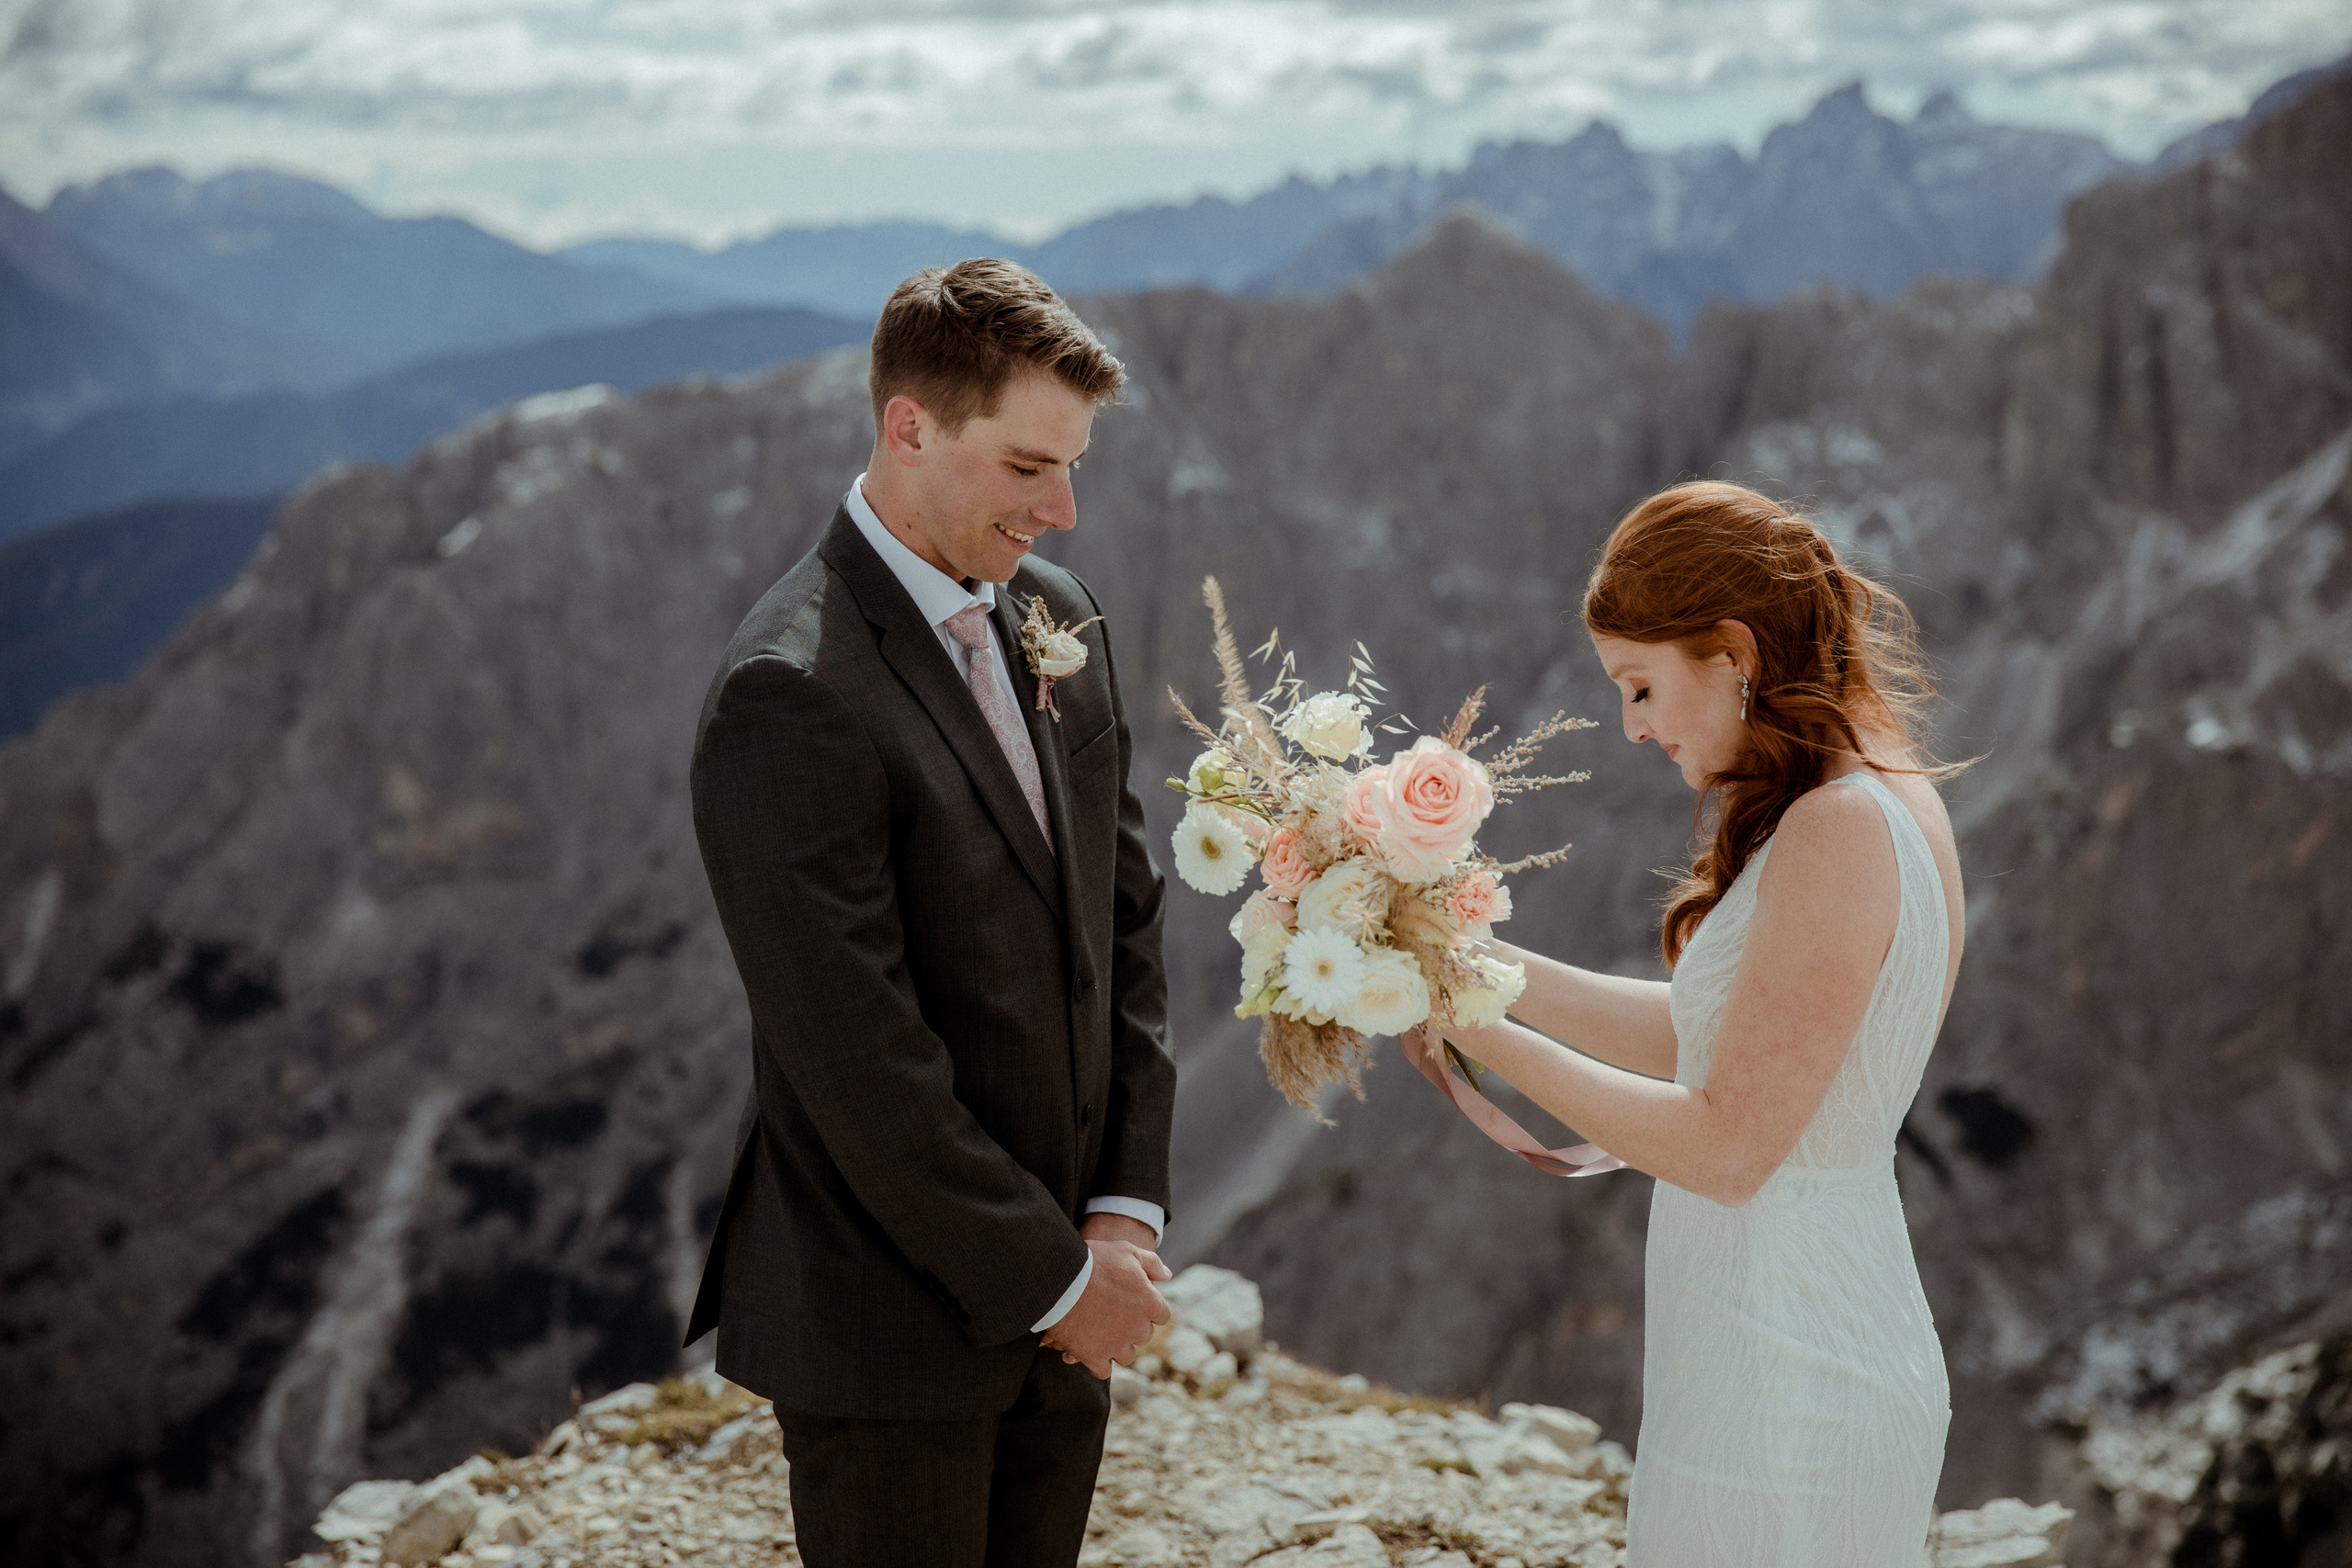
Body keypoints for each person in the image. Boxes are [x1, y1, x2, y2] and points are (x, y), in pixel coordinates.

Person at [684, 258, 1179, 1568]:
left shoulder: (1057, 619)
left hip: (1069, 1288)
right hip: (887, 1336)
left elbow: (1121, 927)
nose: (1062, 511)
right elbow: (857, 1060)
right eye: (1028, 468)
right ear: (909, 428)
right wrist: (1063, 1285)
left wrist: (1121, 1212)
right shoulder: (789, 690)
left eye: (1072, 468)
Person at [1420, 480, 1962, 1563]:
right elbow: (1712, 1040)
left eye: (1639, 686)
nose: (1632, 728)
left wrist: (1476, 1030)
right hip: (1784, 1337)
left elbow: (1727, 1148)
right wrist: (1476, 966)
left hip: (1790, 1373)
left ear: (1731, 648)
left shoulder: (1838, 829)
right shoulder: (1871, 795)